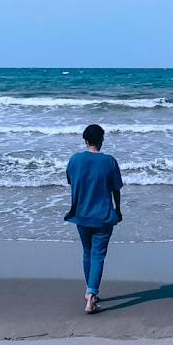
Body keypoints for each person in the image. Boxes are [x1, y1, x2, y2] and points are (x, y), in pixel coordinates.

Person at [64, 124, 123, 314]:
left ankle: (91, 291)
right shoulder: (109, 161)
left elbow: (71, 181)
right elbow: (116, 189)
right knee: (98, 255)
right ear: (101, 140)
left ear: (86, 141)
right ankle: (91, 297)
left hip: (81, 214)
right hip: (103, 215)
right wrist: (118, 210)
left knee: (87, 253)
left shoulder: (75, 160)